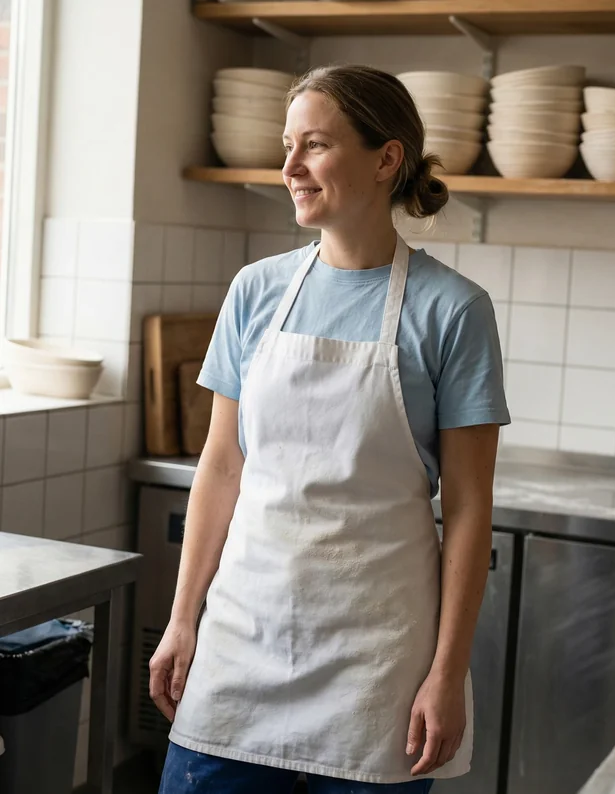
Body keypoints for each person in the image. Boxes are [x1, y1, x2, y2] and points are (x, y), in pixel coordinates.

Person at [150, 64, 511, 794]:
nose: (290, 168)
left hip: (376, 665)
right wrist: (183, 618)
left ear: (387, 159)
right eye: (288, 145)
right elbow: (223, 466)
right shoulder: (255, 290)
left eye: (314, 145)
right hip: (240, 644)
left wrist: (447, 672)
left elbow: (470, 510)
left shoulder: (453, 311)